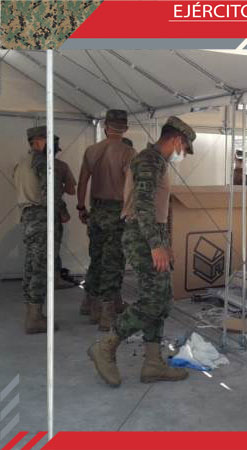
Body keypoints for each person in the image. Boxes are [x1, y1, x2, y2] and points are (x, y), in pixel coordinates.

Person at [88, 116, 196, 387]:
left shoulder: (156, 161)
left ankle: (153, 363)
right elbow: (144, 206)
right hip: (141, 236)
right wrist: (155, 244)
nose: (182, 153)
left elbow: (157, 209)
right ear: (176, 140)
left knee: (162, 299)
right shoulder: (149, 161)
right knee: (153, 301)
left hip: (149, 234)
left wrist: (164, 242)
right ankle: (106, 346)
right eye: (184, 147)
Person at [77, 110, 136, 331]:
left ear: (105, 127)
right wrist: (129, 213)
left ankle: (90, 304)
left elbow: (83, 182)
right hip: (117, 212)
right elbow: (130, 187)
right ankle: (106, 314)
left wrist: (81, 207)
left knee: (97, 257)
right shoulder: (129, 152)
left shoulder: (92, 151)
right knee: (113, 262)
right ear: (125, 129)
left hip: (96, 210)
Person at [13, 126, 55, 333]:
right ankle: (35, 318)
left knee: (31, 264)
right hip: (40, 216)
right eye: (47, 139)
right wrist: (54, 211)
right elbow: (49, 191)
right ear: (39, 140)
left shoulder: (21, 163)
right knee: (40, 267)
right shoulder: (41, 161)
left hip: (27, 216)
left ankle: (32, 312)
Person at [53, 135, 77, 289]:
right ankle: (55, 279)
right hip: (53, 211)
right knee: (53, 247)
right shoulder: (61, 166)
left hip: (29, 213)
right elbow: (71, 190)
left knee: (34, 249)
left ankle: (33, 281)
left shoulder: (23, 165)